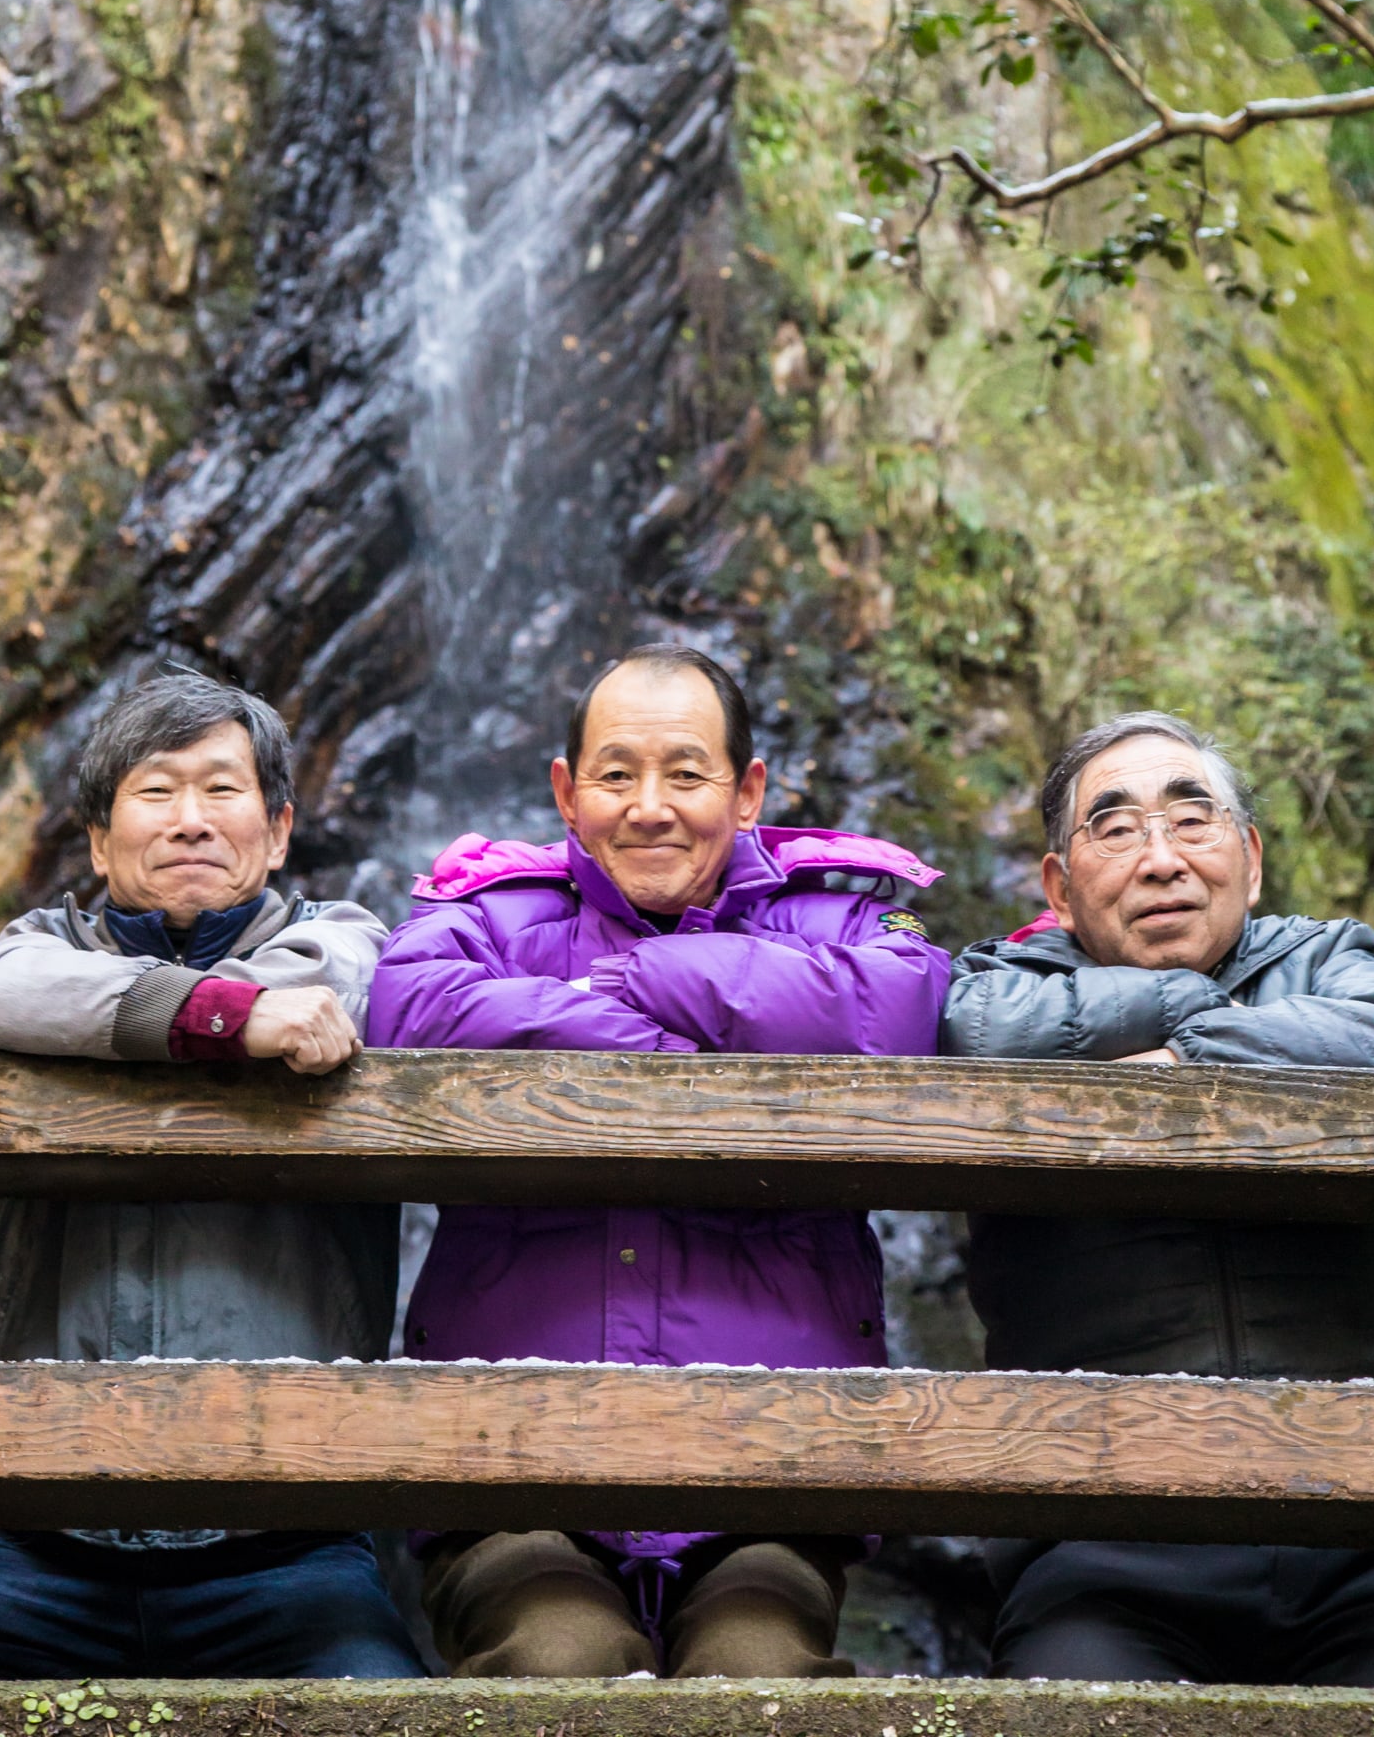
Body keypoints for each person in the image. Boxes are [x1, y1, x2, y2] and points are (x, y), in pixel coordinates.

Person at [368, 643, 951, 1681]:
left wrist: (631, 975)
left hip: (770, 1479)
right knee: (559, 1663)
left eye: (686, 773)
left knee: (758, 1676)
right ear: (566, 792)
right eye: (615, 775)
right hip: (512, 1473)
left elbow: (895, 1008)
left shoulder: (846, 914)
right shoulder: (488, 914)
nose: (649, 808)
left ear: (747, 791)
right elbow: (409, 1008)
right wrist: (703, 1034)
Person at [941, 707, 1374, 1693]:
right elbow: (979, 1034)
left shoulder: (1326, 961)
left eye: (1190, 821)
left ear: (1248, 859)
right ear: (1059, 887)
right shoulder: (1004, 986)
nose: (1161, 860)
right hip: (1105, 1543)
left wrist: (1187, 1055)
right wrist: (1189, 998)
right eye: (1115, 829)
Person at [0, 667, 424, 1682]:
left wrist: (183, 1019)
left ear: (277, 832)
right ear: (100, 843)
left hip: (289, 1554)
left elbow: (331, 987)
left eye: (221, 788)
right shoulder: (36, 953)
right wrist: (228, 1020)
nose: (191, 819)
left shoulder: (342, 941)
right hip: (42, 1550)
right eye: (156, 791)